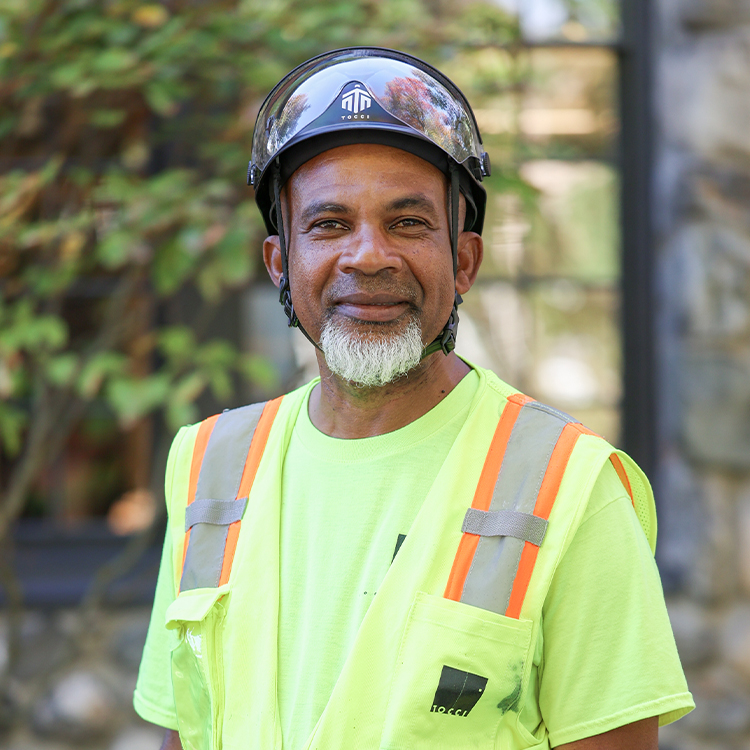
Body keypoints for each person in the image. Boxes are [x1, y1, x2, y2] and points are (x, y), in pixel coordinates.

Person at [134, 47, 694, 750]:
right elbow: (186, 731)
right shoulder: (208, 468)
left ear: (464, 261)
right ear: (280, 262)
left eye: (408, 223)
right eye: (329, 224)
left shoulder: (570, 487)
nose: (368, 256)